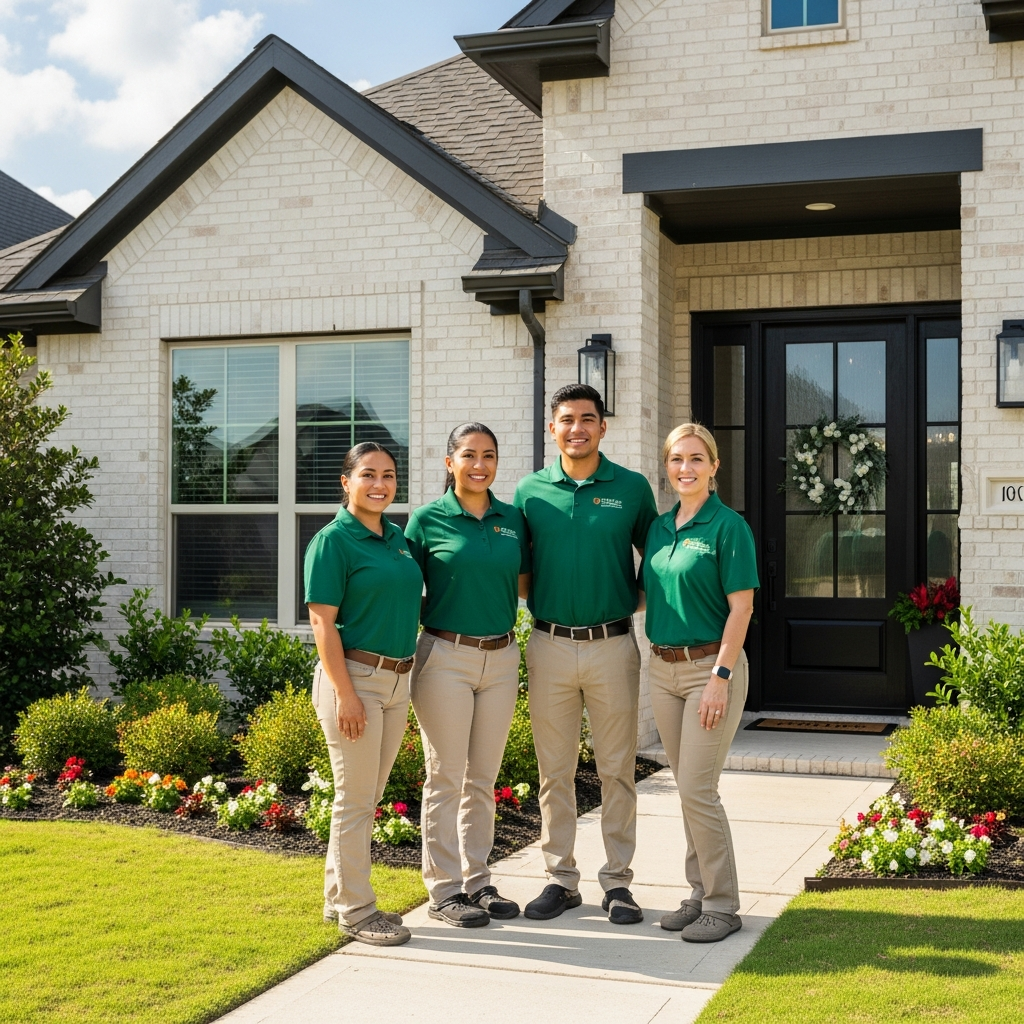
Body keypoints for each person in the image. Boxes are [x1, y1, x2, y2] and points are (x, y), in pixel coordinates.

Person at [514, 383, 658, 925]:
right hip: (548, 645)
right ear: (552, 428)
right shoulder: (530, 492)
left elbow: (659, 555)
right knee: (554, 771)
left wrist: (627, 601)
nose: (578, 428)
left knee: (618, 769)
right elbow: (522, 570)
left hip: (614, 646)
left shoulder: (631, 488)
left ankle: (618, 883)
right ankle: (560, 878)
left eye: (588, 419)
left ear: (603, 427)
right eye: (567, 419)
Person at [405, 423, 531, 927]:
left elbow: (525, 583)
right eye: (469, 455)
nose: (480, 464)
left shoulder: (512, 520)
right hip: (445, 656)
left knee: (483, 778)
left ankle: (478, 882)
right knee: (446, 777)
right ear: (449, 462)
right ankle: (443, 890)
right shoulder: (426, 521)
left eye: (489, 455)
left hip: (501, 658)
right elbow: (399, 586)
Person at [639, 423, 758, 944]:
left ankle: (723, 904)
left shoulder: (728, 527)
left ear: (714, 466)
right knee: (687, 789)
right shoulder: (660, 528)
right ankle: (698, 893)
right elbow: (651, 596)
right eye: (675, 460)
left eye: (695, 459)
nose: (684, 468)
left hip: (711, 670)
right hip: (662, 670)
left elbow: (742, 608)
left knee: (697, 789)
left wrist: (720, 678)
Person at [305, 441, 424, 947]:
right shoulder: (333, 541)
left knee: (366, 797)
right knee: (354, 800)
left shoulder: (396, 538)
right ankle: (358, 910)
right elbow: (321, 623)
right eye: (369, 474)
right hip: (354, 679)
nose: (380, 484)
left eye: (389, 475)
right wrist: (346, 694)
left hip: (398, 680)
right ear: (346, 482)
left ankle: (338, 898)